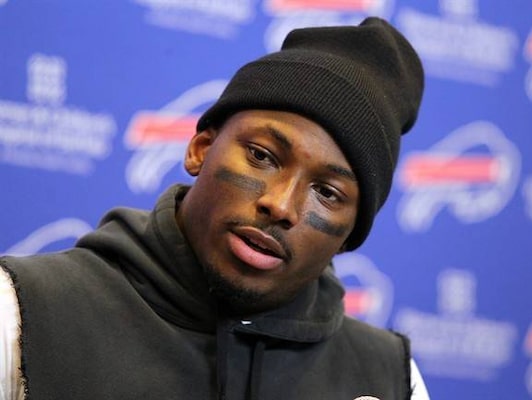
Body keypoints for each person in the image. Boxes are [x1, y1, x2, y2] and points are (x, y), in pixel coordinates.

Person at [0, 17, 427, 400]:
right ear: (200, 148)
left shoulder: (390, 379)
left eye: (328, 193)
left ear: (350, 235)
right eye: (262, 155)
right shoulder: (21, 312)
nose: (281, 205)